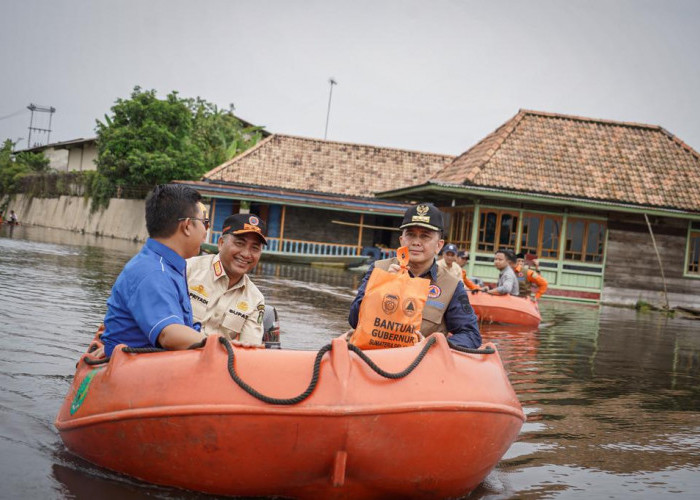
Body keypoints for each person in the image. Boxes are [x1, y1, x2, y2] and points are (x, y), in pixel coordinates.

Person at [349, 203, 481, 349]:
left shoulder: (451, 285)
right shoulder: (379, 269)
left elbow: (471, 335)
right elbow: (354, 320)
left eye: (425, 236)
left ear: (439, 245)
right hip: (374, 357)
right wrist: (383, 286)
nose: (416, 242)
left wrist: (432, 345)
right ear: (401, 240)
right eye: (410, 234)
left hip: (420, 365)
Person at [100, 184, 208, 357]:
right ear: (187, 226)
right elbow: (169, 334)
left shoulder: (166, 266)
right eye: (204, 223)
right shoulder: (154, 272)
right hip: (135, 373)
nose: (205, 233)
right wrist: (219, 345)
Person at [186, 213, 267, 345]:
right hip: (175, 356)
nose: (246, 254)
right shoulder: (187, 269)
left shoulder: (256, 299)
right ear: (221, 243)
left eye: (255, 248)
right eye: (240, 243)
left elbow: (251, 347)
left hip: (220, 362)